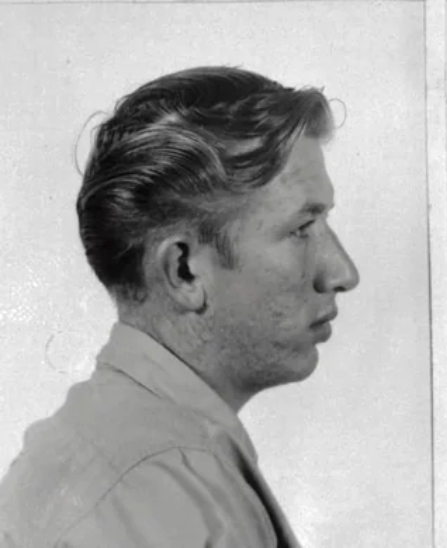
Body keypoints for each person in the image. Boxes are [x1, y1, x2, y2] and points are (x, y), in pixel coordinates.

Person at [0, 66, 359, 546]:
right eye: (301, 229)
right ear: (185, 271)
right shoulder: (159, 486)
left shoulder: (121, 451)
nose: (341, 273)